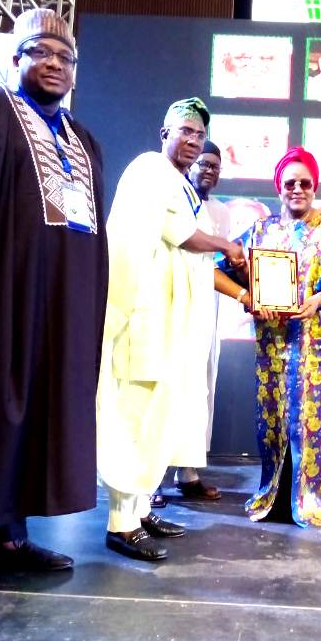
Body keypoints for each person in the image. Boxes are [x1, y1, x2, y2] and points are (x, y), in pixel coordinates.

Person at [97, 99, 245, 561]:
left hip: (172, 329)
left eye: (200, 135)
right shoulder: (148, 170)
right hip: (143, 322)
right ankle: (120, 523)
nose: (193, 141)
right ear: (164, 133)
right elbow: (180, 235)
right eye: (185, 132)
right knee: (134, 421)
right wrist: (225, 244)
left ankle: (140, 510)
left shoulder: (181, 186)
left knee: (157, 423)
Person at [0, 8, 108, 572]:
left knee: (41, 406)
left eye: (65, 57)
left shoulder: (82, 139)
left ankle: (9, 533)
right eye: (41, 51)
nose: (55, 63)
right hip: (6, 291)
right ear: (16, 59)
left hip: (66, 300)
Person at [219, 147, 321, 527]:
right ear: (279, 188)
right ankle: (275, 495)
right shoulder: (261, 231)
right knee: (275, 420)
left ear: (315, 186)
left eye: (305, 183)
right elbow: (220, 268)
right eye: (290, 183)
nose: (298, 189)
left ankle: (319, 499)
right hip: (274, 346)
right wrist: (247, 297)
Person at [173, 139, 231, 502]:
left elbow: (219, 267)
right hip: (174, 307)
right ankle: (151, 482)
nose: (208, 170)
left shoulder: (222, 212)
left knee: (201, 390)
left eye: (215, 166)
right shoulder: (175, 198)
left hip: (207, 312)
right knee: (169, 390)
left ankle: (188, 472)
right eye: (203, 163)